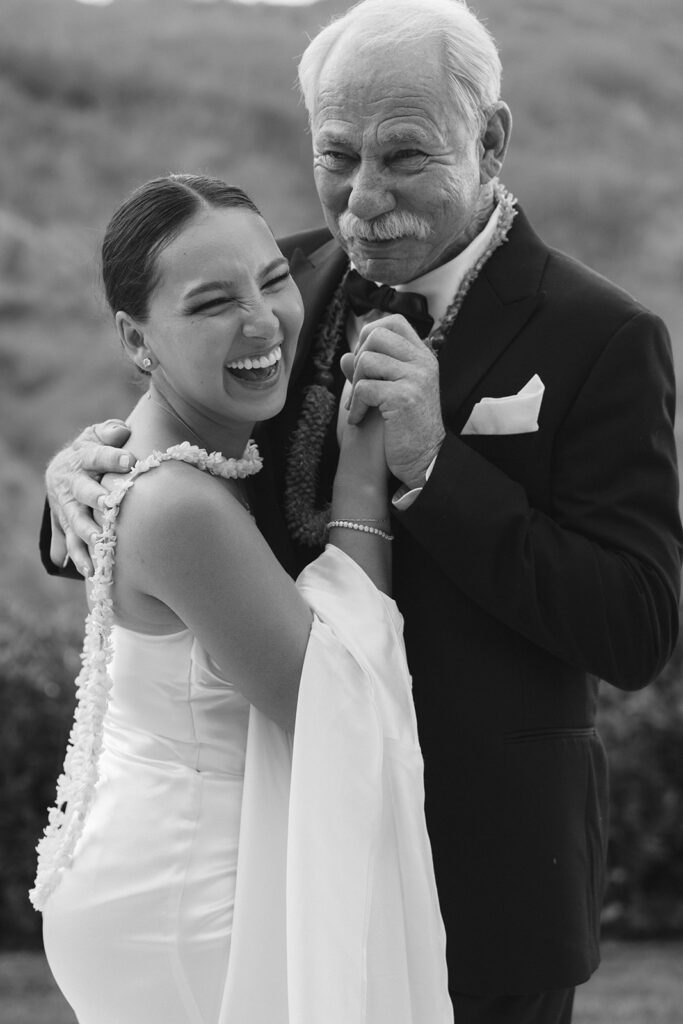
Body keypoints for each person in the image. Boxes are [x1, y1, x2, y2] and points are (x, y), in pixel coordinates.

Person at [41, 1, 682, 1022]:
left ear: (490, 139)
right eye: (336, 155)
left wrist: (435, 469)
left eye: (403, 157)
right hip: (274, 866)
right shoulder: (273, 283)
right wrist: (70, 478)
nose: (363, 199)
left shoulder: (600, 337)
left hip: (482, 880)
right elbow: (170, 462)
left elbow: (636, 624)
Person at [32, 174, 453, 1024]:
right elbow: (335, 708)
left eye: (269, 281)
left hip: (158, 858)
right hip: (191, 899)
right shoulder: (180, 503)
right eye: (213, 302)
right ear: (135, 338)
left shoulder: (176, 455)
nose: (263, 322)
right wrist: (364, 479)